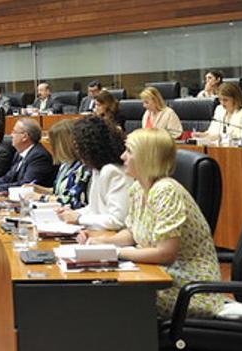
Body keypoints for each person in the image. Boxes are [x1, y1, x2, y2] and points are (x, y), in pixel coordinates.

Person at [81, 129, 223, 320]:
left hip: (187, 288)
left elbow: (165, 254)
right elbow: (132, 233)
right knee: (97, 289)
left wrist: (114, 252)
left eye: (129, 151)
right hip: (157, 275)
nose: (123, 156)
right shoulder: (138, 187)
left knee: (105, 298)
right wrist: (102, 243)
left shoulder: (166, 191)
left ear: (147, 157)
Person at [59, 116, 131, 230]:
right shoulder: (97, 169)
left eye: (80, 148)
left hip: (111, 238)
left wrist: (79, 218)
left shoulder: (113, 171)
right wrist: (69, 214)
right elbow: (94, 209)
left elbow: (118, 220)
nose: (78, 153)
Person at [30, 119, 88, 209]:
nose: (52, 147)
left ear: (64, 144)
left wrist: (42, 197)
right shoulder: (65, 164)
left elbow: (70, 199)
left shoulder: (83, 167)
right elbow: (59, 191)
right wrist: (37, 189)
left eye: (53, 143)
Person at [0, 118, 56, 189]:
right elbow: (8, 177)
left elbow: (26, 184)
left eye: (14, 132)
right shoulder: (19, 153)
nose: (11, 135)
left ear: (24, 137)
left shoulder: (39, 156)